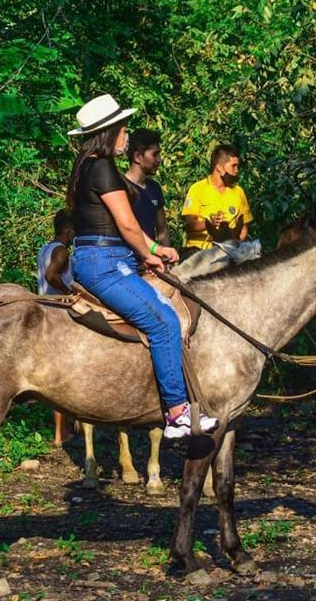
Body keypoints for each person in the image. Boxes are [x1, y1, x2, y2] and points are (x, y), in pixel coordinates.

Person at [67, 94, 218, 439]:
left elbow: (124, 229)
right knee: (165, 321)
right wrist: (152, 253)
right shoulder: (102, 167)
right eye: (122, 128)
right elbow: (128, 225)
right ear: (109, 132)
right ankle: (178, 413)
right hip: (106, 263)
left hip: (105, 256)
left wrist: (151, 251)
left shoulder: (87, 165)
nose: (126, 134)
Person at [36, 209, 75, 445]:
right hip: (58, 313)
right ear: (69, 231)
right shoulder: (61, 251)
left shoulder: (45, 248)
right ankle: (62, 433)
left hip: (44, 309)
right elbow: (52, 276)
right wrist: (69, 292)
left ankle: (63, 430)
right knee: (63, 375)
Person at [182, 144, 253, 251]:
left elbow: (244, 226)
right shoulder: (197, 189)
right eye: (233, 166)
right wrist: (208, 224)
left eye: (237, 166)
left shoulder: (238, 192)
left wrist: (235, 244)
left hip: (229, 250)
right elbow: (190, 225)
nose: (237, 170)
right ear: (219, 167)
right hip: (199, 251)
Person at [125, 128, 170, 246]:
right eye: (154, 154)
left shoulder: (154, 188)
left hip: (150, 258)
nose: (159, 159)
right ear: (137, 157)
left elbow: (162, 230)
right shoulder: (120, 187)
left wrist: (167, 258)